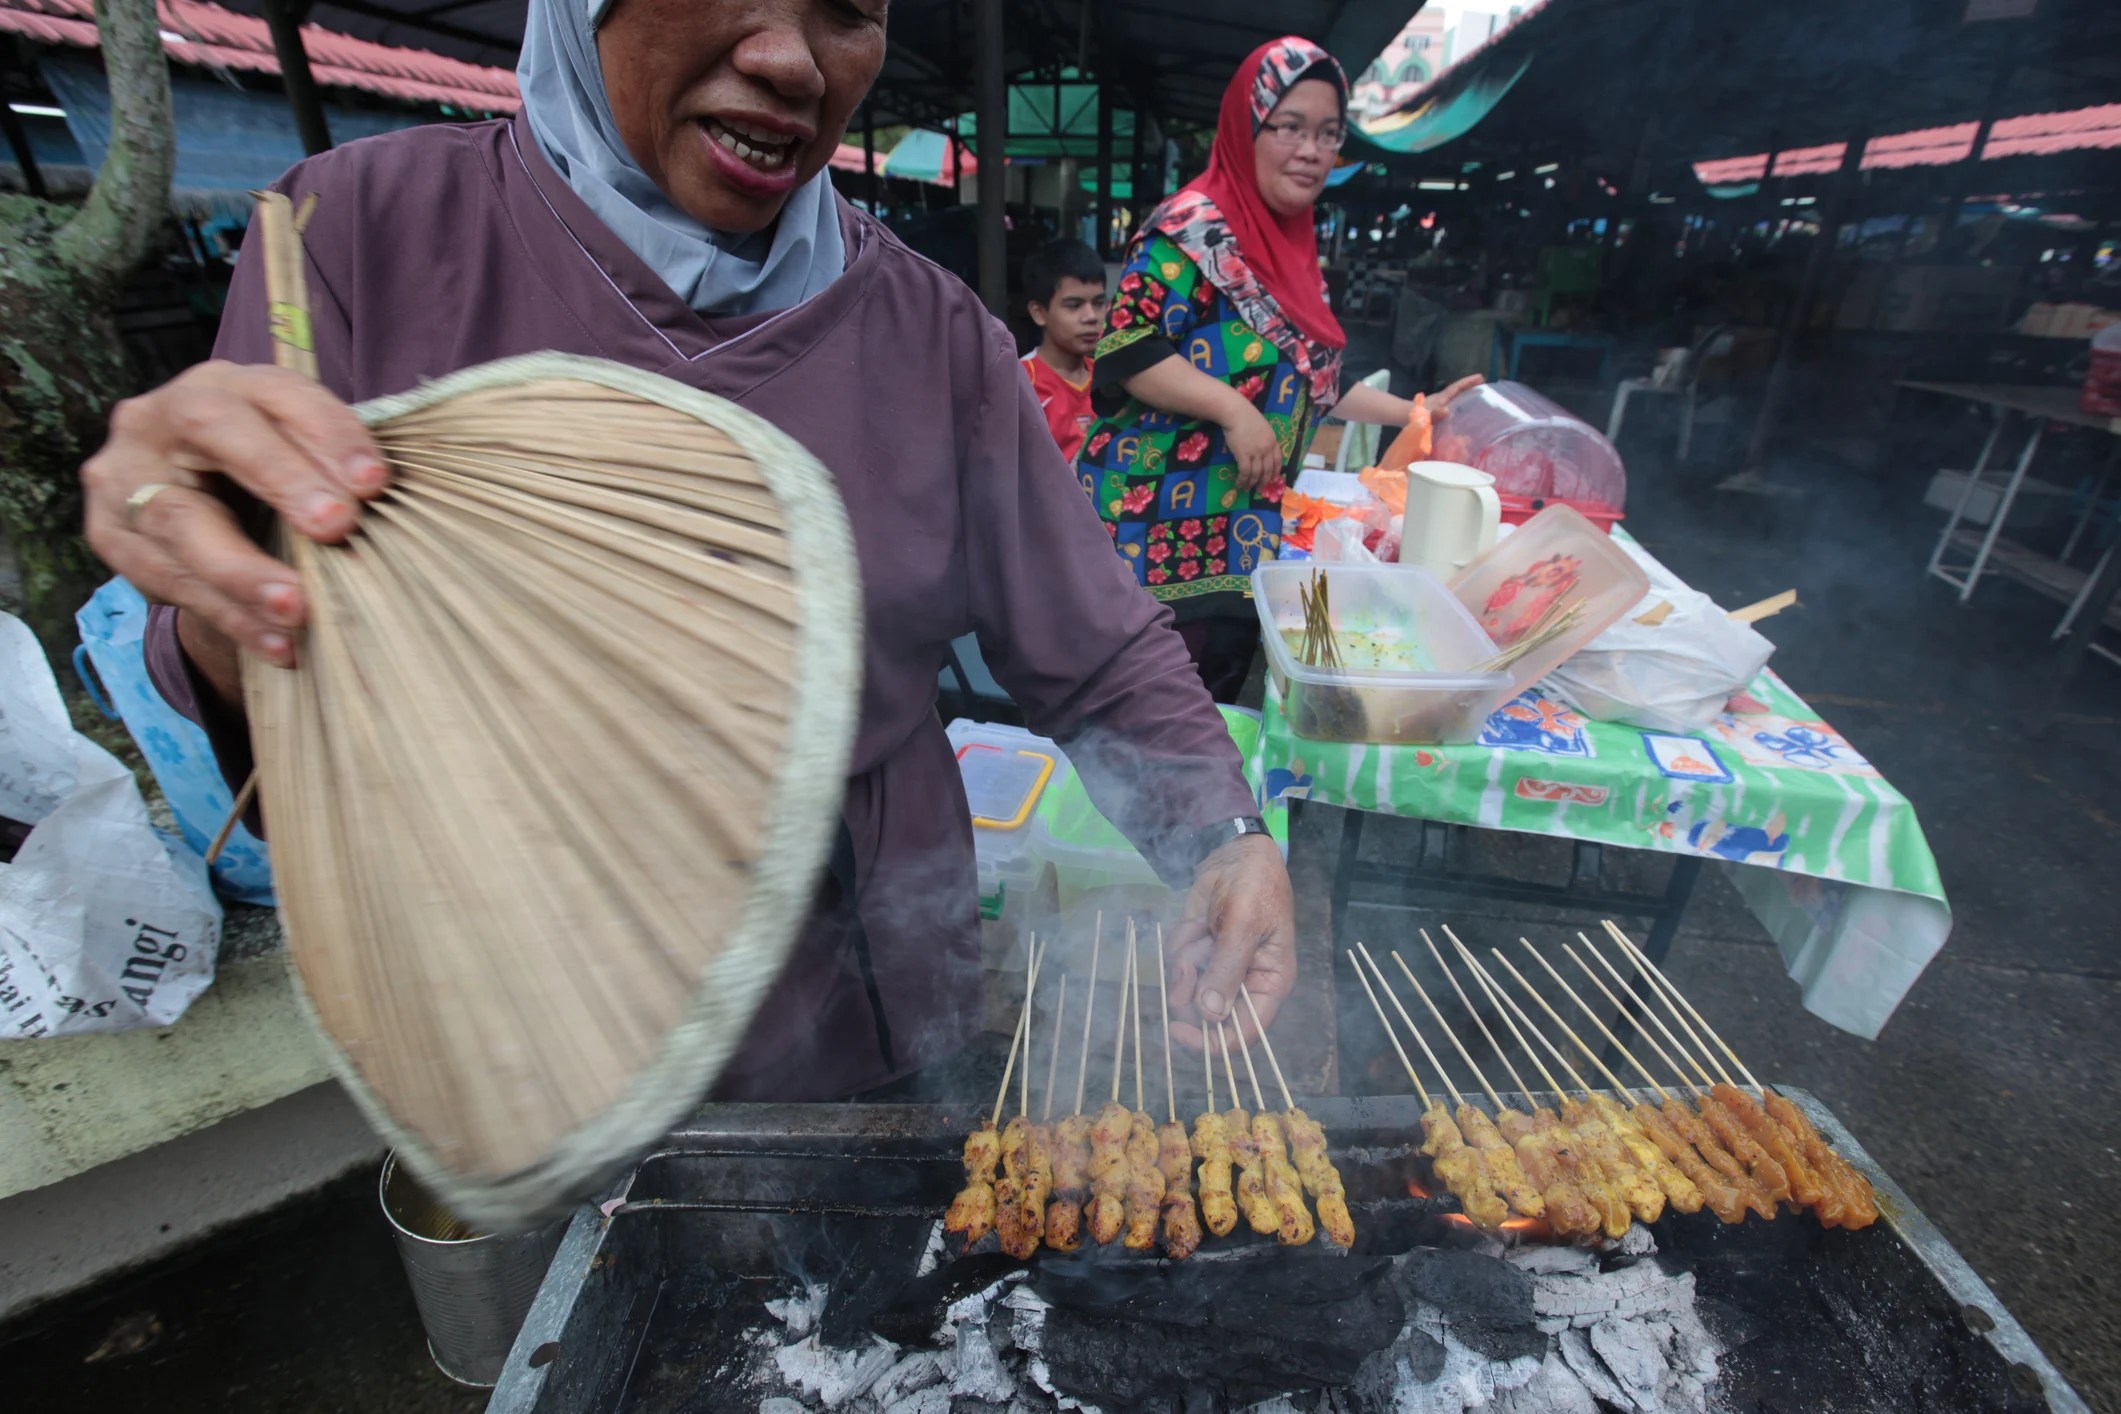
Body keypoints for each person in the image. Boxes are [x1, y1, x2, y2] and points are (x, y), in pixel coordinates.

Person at [78, 0, 1293, 1100]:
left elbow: (1088, 644)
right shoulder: (352, 239)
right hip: (527, 1025)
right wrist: (233, 590)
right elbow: (269, 686)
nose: (786, 57)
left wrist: (1224, 838)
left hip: (867, 1005)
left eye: (848, 9)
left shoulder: (931, 335)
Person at [1077, 36, 1479, 702]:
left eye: (1327, 133)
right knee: (1148, 718)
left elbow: (1311, 379)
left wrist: (1418, 409)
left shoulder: (1290, 246)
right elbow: (1129, 348)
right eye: (1288, 127)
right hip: (1149, 534)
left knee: (1217, 712)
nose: (1311, 150)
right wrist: (1233, 410)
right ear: (1245, 129)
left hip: (1242, 536)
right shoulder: (1188, 230)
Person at [1020, 238, 1108, 464]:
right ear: (1039, 312)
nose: (1091, 317)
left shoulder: (1112, 379)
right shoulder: (1019, 383)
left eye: (1098, 303)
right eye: (1074, 305)